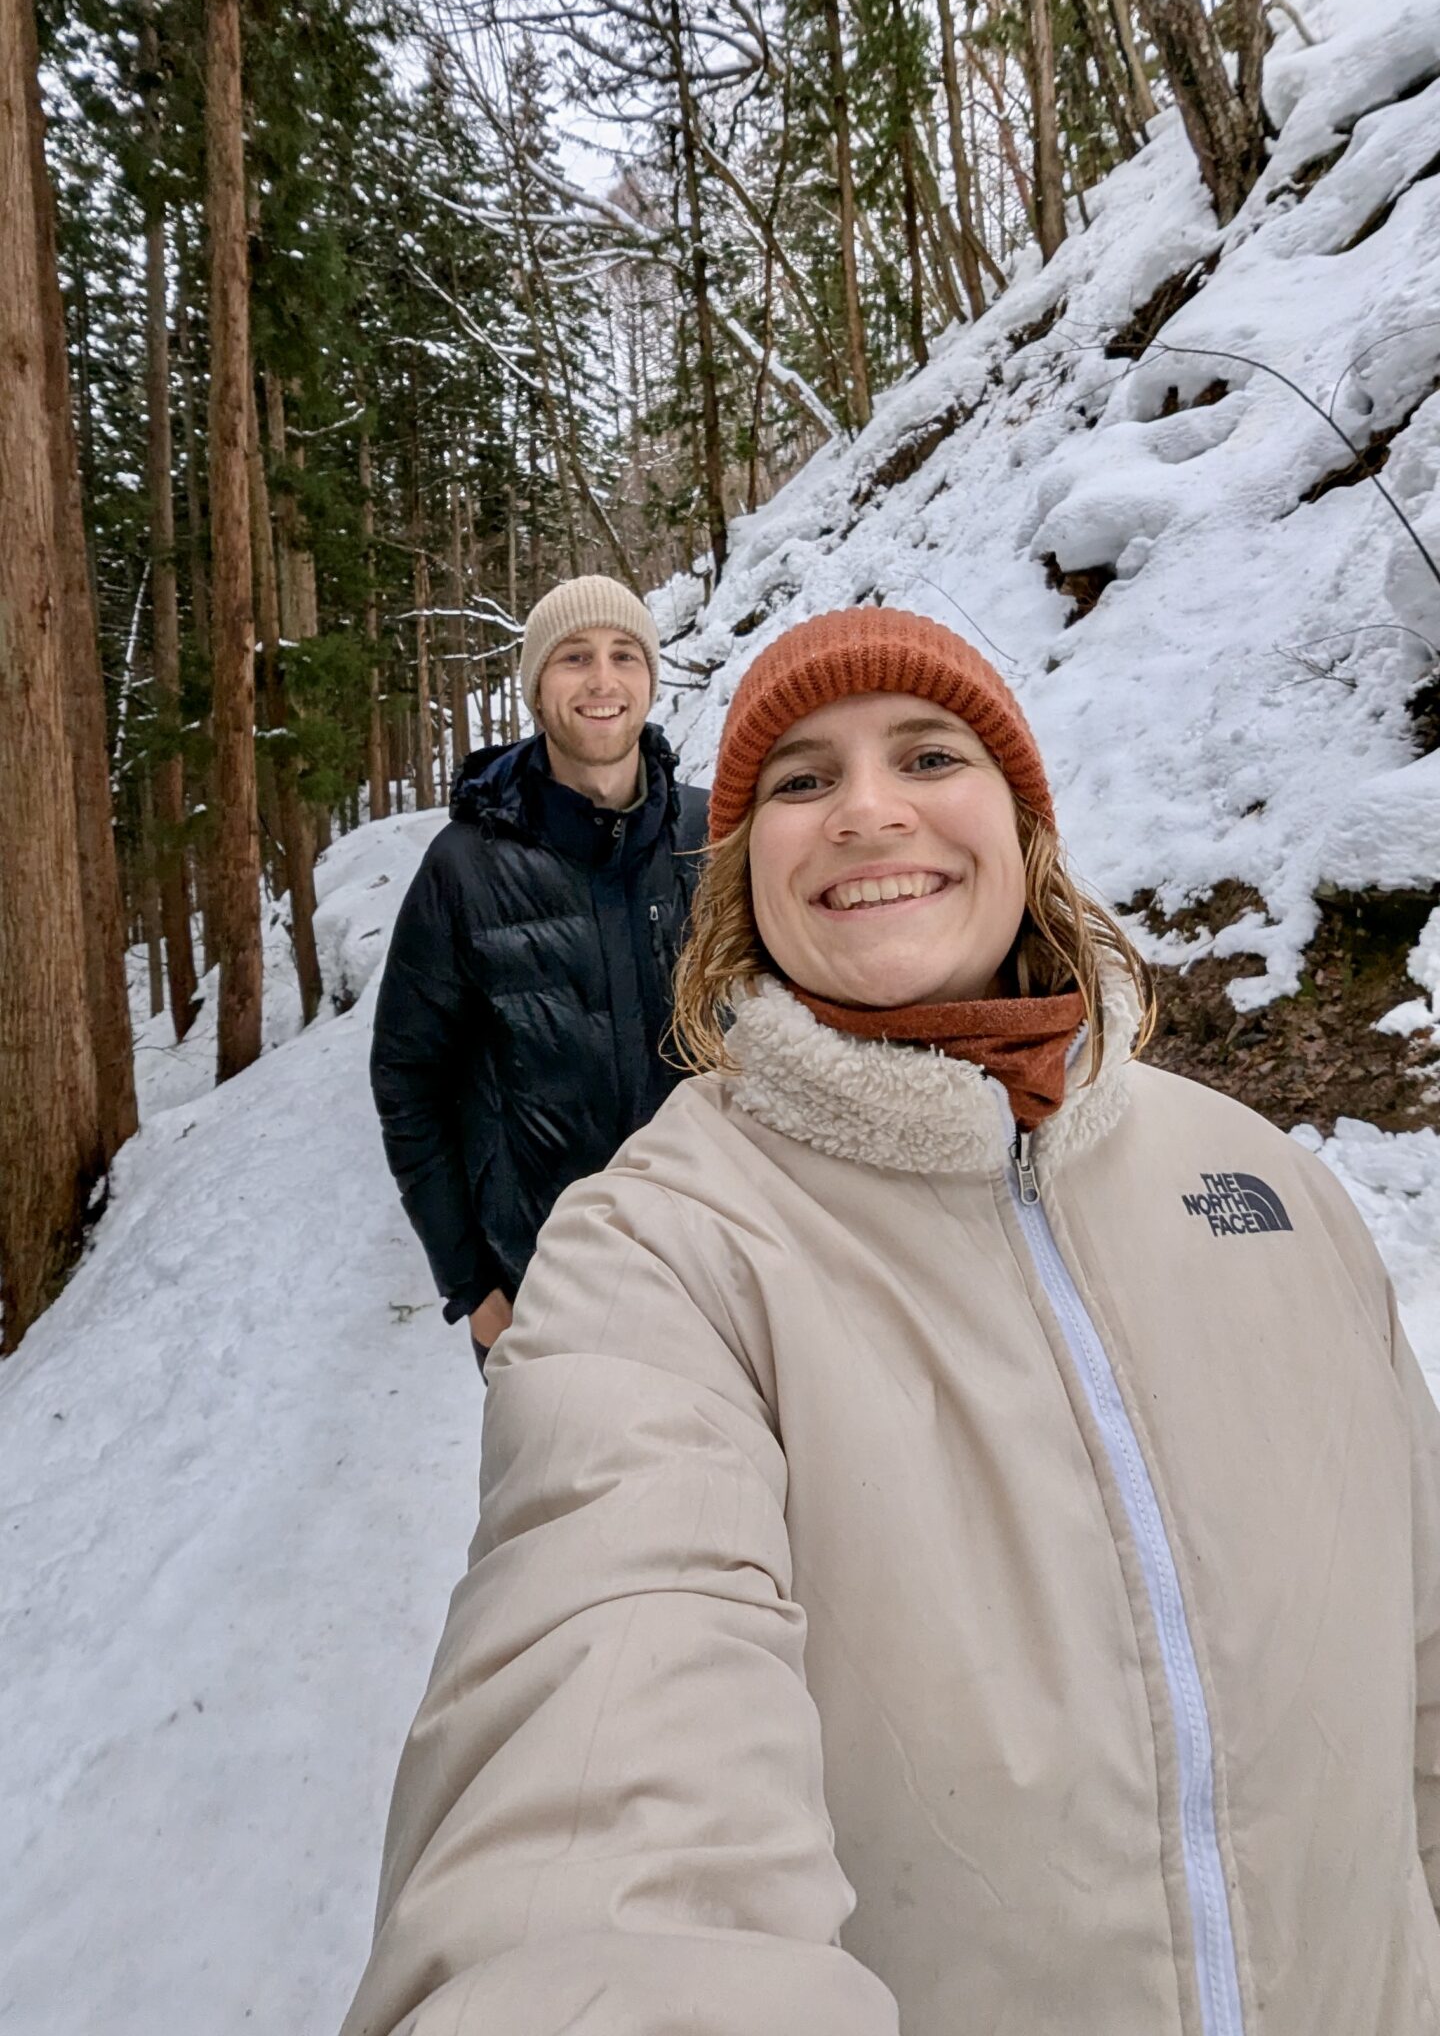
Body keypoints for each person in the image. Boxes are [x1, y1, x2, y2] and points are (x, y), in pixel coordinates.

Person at [344, 606, 1440, 2036]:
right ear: (748, 881)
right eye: (802, 781)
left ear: (1026, 824)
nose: (866, 811)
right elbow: (603, 1743)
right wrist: (478, 1275)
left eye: (930, 755)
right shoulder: (643, 1252)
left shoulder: (1270, 1186)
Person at [369, 574, 707, 1370]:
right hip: (543, 1290)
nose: (602, 680)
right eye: (574, 657)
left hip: (709, 1269)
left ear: (650, 679)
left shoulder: (710, 833)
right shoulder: (465, 867)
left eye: (625, 655)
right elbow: (408, 1080)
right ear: (535, 689)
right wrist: (472, 1286)